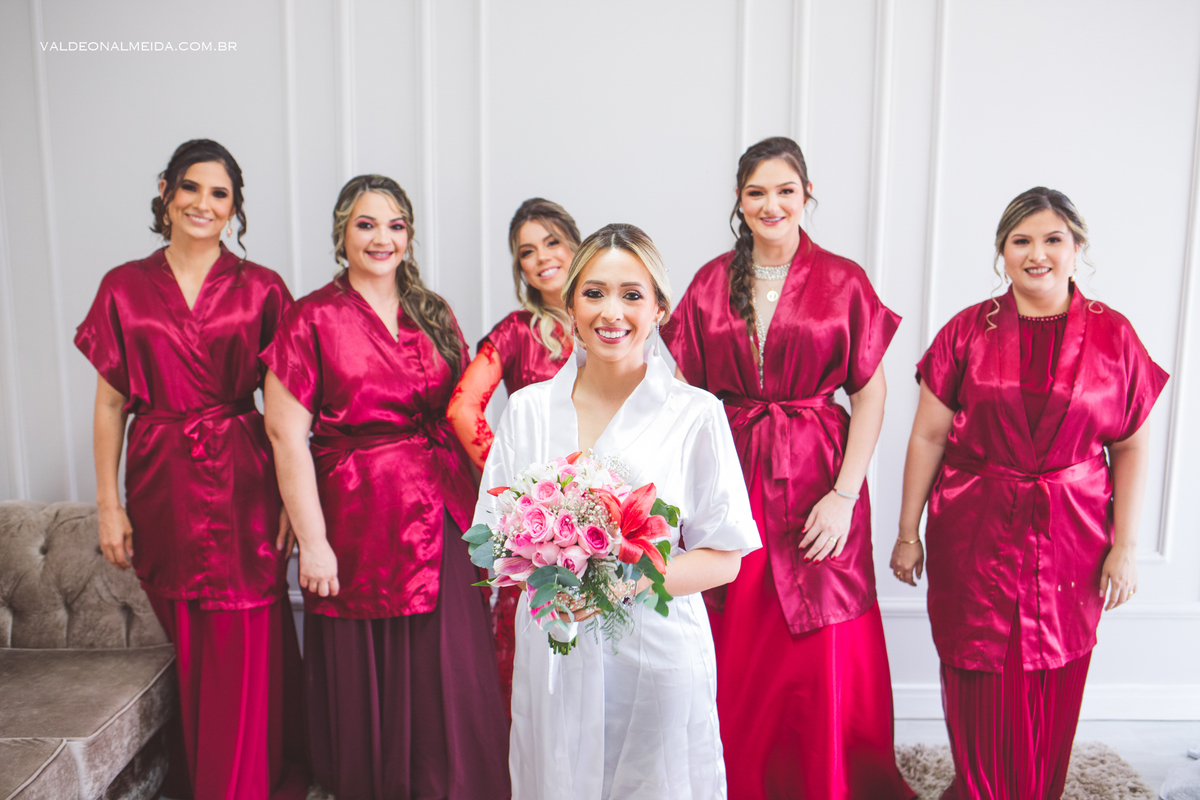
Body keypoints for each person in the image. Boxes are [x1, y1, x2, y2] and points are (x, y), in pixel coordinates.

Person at [891, 187, 1168, 799]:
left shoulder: (1115, 335)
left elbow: (1131, 446)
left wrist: (1125, 546)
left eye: (1052, 239)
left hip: (1075, 532)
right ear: (1002, 252)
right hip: (974, 525)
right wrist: (908, 533)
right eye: (1021, 241)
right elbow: (927, 438)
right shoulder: (967, 330)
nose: (1036, 253)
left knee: (1055, 666)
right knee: (977, 664)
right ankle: (983, 788)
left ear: (1077, 249)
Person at [662, 136, 915, 799]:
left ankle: (824, 779)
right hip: (735, 470)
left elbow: (871, 394)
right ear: (739, 203)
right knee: (738, 627)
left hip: (819, 476)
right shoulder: (711, 282)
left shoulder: (844, 280)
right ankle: (738, 779)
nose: (771, 204)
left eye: (785, 191)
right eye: (756, 193)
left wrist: (845, 495)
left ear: (806, 197)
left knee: (822, 635)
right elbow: (685, 397)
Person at [475, 223, 760, 799]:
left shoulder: (695, 413)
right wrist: (540, 561)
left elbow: (725, 556)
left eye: (632, 294)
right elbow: (488, 541)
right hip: (554, 653)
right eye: (595, 292)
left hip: (655, 652)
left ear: (659, 308)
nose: (612, 312)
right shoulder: (527, 412)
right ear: (571, 306)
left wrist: (625, 584)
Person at [261, 174, 509, 800]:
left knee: (448, 664)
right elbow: (286, 434)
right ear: (342, 232)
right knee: (370, 660)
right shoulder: (311, 316)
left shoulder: (433, 310)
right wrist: (312, 543)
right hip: (356, 515)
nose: (382, 237)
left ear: (410, 235)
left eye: (395, 224)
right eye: (366, 224)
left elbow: (464, 411)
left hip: (443, 507)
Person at [75, 138, 308, 800]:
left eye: (220, 194)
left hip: (243, 476)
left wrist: (294, 498)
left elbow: (287, 409)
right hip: (160, 480)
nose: (203, 203)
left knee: (243, 629)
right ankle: (220, 770)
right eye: (191, 188)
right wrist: (107, 504)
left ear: (234, 208)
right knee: (193, 635)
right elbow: (110, 403)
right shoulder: (123, 286)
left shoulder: (261, 287)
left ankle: (234, 785)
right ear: (165, 192)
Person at [447, 197, 580, 711]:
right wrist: (520, 490)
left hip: (612, 510)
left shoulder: (612, 315)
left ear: (575, 244)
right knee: (542, 668)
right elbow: (463, 409)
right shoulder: (516, 330)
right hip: (544, 526)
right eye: (527, 251)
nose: (542, 257)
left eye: (552, 241)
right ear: (520, 267)